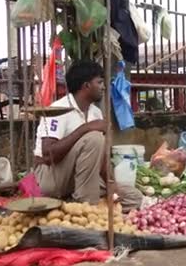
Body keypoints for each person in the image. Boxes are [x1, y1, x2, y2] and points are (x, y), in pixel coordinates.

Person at [33, 61, 142, 211]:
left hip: (80, 178)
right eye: (100, 82)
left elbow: (101, 157)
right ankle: (86, 207)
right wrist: (85, 128)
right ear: (86, 86)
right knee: (94, 138)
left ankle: (73, 202)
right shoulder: (59, 110)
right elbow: (48, 155)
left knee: (133, 196)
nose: (104, 87)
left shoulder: (95, 113)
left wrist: (111, 184)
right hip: (51, 177)